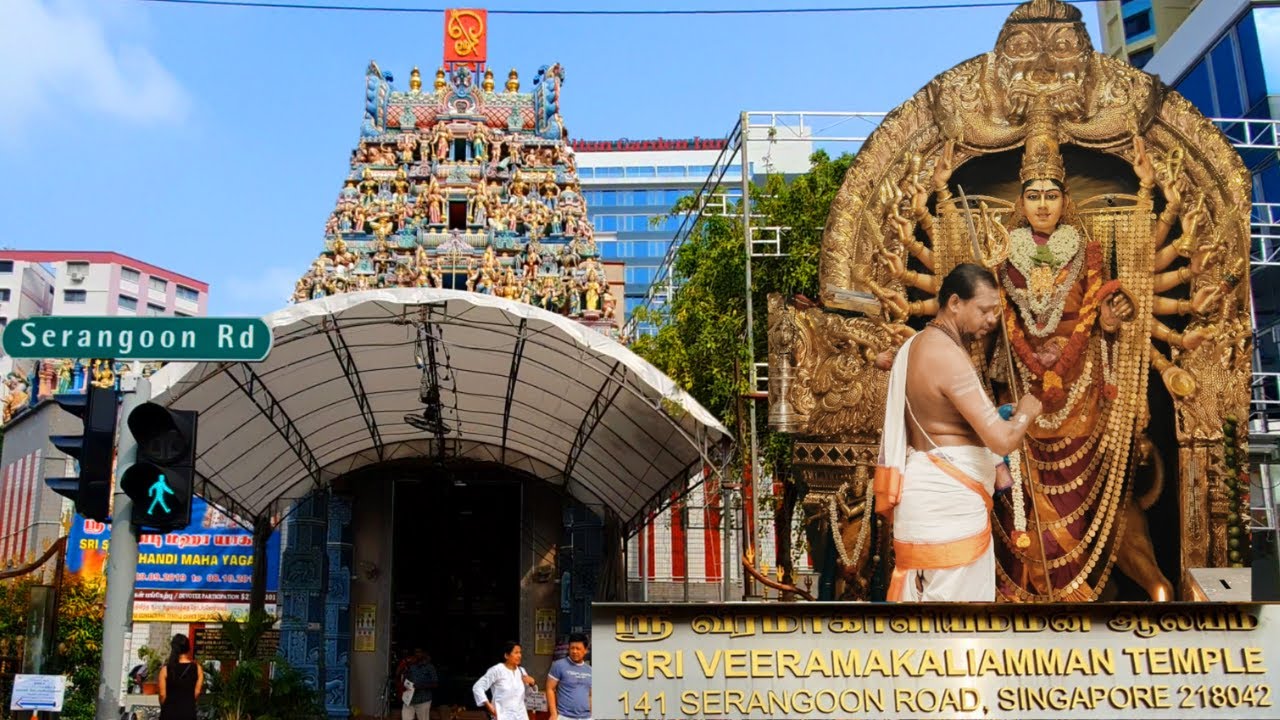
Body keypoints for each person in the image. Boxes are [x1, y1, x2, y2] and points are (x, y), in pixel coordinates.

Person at [874, 263, 1042, 602]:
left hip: (925, 498)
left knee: (923, 622)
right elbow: (1002, 439)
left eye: (995, 311)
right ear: (954, 303)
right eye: (983, 310)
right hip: (949, 505)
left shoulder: (917, 345)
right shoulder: (947, 355)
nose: (991, 320)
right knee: (960, 626)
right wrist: (1025, 413)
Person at [473, 641, 537, 720]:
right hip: (502, 716)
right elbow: (478, 687)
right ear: (506, 655)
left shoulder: (521, 671)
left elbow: (527, 694)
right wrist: (488, 705)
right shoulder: (497, 670)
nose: (520, 655)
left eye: (520, 652)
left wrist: (532, 683)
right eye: (516, 653)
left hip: (521, 715)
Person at [158, 633, 203, 720]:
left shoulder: (165, 670)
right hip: (188, 712)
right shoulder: (197, 669)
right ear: (188, 648)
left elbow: (162, 695)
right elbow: (197, 692)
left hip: (169, 712)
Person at [546, 634, 591, 720]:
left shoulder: (590, 670)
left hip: (587, 717)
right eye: (572, 648)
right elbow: (550, 689)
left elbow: (590, 695)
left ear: (585, 650)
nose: (574, 651)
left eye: (578, 648)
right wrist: (553, 714)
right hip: (565, 716)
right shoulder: (558, 665)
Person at [400, 647, 438, 720]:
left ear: (424, 654)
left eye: (419, 652)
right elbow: (402, 677)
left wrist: (421, 686)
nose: (417, 654)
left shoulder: (429, 667)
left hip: (423, 700)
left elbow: (435, 683)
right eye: (415, 652)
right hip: (409, 700)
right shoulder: (410, 666)